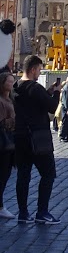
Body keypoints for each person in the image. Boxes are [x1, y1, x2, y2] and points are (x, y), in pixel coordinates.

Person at [13, 54, 59, 225]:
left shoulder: (15, 87)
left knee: (23, 175)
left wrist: (48, 92)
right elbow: (52, 107)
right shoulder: (35, 87)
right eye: (39, 69)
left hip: (20, 136)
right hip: (38, 137)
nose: (40, 73)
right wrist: (56, 93)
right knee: (48, 174)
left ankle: (23, 213)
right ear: (33, 69)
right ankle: (42, 211)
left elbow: (31, 103)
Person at [0, 69, 16, 218]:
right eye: (8, 81)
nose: (11, 83)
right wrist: (12, 121)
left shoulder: (11, 99)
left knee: (6, 173)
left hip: (10, 138)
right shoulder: (1, 101)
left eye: (12, 81)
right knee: (2, 173)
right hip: (3, 139)